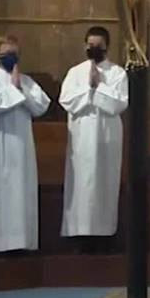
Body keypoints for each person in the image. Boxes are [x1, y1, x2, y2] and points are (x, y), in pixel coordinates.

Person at [0, 35, 50, 254]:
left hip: (21, 147)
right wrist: (14, 90)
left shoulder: (26, 81)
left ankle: (23, 244)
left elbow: (41, 106)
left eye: (14, 54)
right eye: (5, 55)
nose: (10, 58)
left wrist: (20, 88)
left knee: (22, 191)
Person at [59, 27, 129, 252]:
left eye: (98, 45)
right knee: (82, 186)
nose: (93, 49)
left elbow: (120, 103)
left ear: (107, 46)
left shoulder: (118, 73)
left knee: (104, 184)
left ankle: (105, 237)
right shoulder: (75, 72)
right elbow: (67, 100)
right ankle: (81, 237)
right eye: (90, 45)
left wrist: (99, 86)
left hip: (106, 139)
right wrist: (88, 87)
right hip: (81, 139)